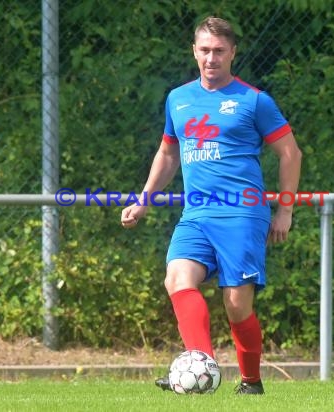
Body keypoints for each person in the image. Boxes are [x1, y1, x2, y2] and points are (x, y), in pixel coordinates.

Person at [121, 16, 302, 395]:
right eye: (204, 50)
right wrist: (143, 201)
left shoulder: (253, 100)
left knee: (236, 305)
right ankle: (200, 368)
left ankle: (251, 382)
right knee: (177, 279)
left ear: (232, 53)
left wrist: (284, 209)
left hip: (242, 213)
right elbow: (168, 154)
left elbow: (290, 153)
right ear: (194, 51)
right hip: (197, 215)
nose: (211, 58)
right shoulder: (178, 98)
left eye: (219, 51)